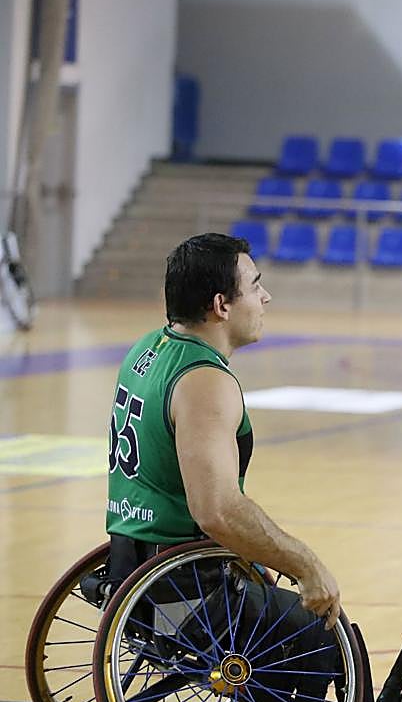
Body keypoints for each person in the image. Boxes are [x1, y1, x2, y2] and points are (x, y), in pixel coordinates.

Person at [106, 233, 341, 628]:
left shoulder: (149, 348)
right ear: (221, 305)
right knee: (325, 636)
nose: (265, 297)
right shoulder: (204, 381)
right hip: (184, 590)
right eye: (255, 286)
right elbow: (217, 511)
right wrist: (305, 564)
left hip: (129, 566)